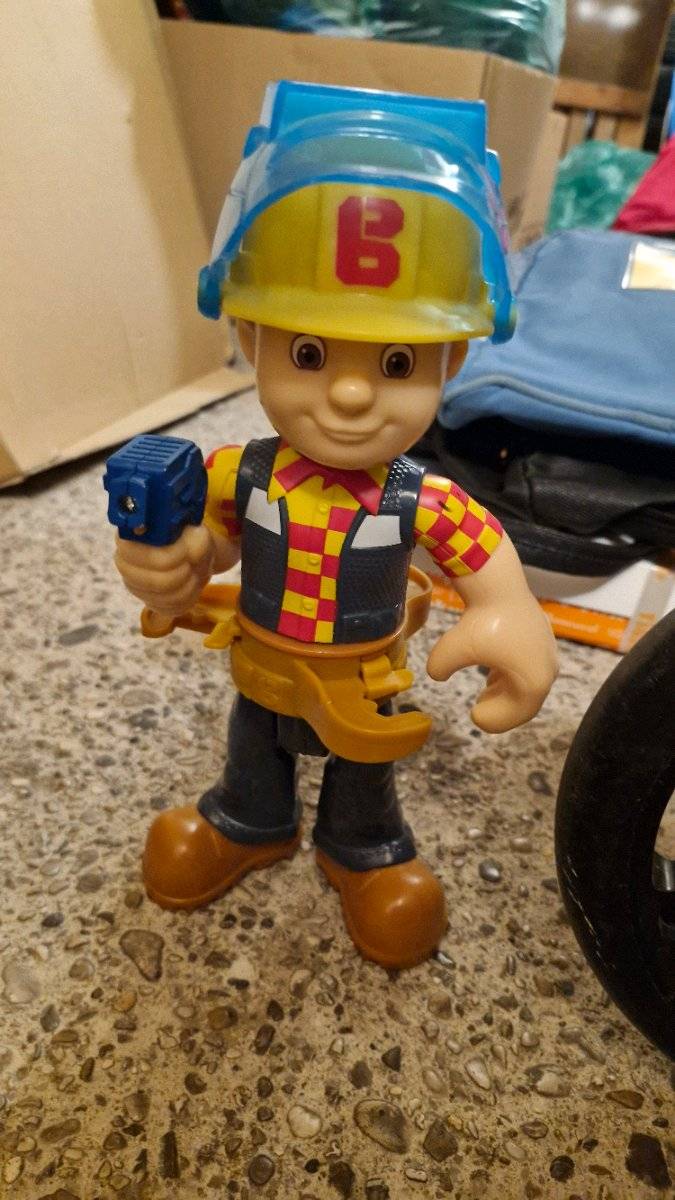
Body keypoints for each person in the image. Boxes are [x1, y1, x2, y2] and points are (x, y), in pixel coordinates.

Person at [112, 81, 557, 969]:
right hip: (265, 666)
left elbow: (484, 553)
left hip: (365, 681)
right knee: (253, 751)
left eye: (395, 362)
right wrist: (177, 561)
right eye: (309, 353)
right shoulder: (240, 471)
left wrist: (509, 610)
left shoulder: (415, 495)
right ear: (252, 337)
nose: (350, 394)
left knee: (364, 778)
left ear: (449, 359)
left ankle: (361, 846)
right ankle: (249, 819)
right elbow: (211, 539)